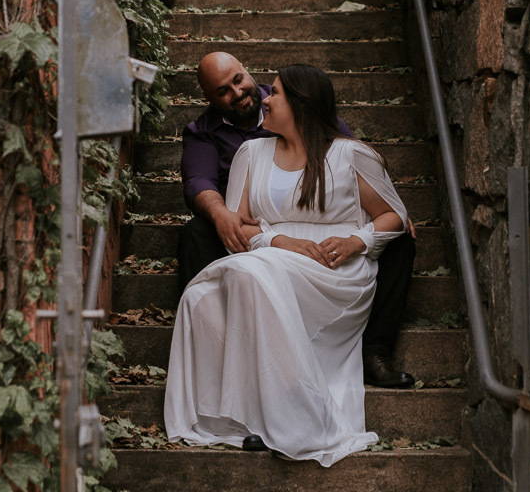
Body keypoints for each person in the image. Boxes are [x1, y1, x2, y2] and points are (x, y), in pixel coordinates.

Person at [164, 64, 409, 465]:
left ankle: (293, 418)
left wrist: (355, 240)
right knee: (200, 298)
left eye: (274, 93)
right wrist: (277, 240)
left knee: (248, 273)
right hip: (270, 256)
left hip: (333, 269)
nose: (263, 97)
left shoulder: (351, 154)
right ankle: (243, 417)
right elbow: (238, 222)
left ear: (301, 105)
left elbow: (392, 215)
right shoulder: (250, 153)